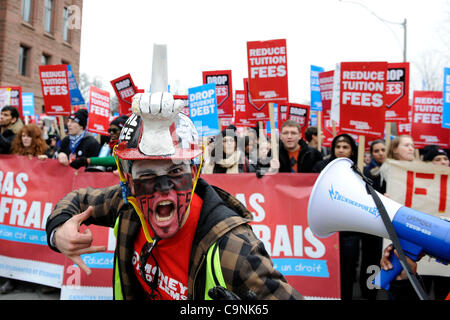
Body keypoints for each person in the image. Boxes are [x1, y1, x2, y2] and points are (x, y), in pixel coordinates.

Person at [45, 91, 303, 300]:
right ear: (129, 182)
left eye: (176, 171)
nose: (163, 188)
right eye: (146, 175)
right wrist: (58, 233)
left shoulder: (236, 250)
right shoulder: (127, 204)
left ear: (193, 172)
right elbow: (77, 199)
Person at [312, 133, 361, 300]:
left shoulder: (359, 169)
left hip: (349, 229)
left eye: (345, 147)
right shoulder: (321, 166)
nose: (341, 150)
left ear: (352, 151)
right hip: (326, 227)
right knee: (327, 269)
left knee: (347, 270)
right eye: (338, 147)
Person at [360, 139, 386, 300]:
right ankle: (369, 292)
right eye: (376, 151)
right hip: (374, 223)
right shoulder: (368, 172)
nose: (380, 153)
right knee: (371, 258)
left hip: (392, 223)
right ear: (371, 153)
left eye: (383, 150)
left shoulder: (395, 171)